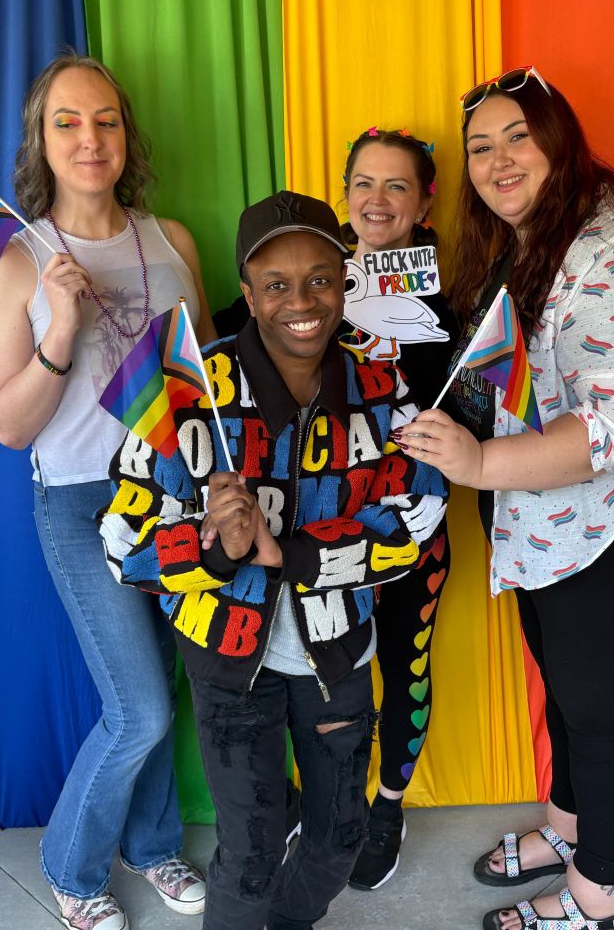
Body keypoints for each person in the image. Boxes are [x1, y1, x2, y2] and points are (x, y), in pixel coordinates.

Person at [396, 66, 614, 930]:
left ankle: (602, 900)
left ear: (559, 142)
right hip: (555, 526)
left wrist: (474, 464)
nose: (500, 159)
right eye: (480, 147)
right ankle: (575, 832)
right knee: (577, 698)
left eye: (518, 136)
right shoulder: (524, 242)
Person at [98, 190, 448, 930]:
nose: (302, 302)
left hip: (339, 656)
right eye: (278, 285)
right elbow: (122, 546)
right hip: (228, 662)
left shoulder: (386, 396)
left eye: (320, 278)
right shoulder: (186, 395)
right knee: (251, 854)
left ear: (345, 282)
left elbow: (415, 528)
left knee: (337, 842)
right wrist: (212, 550)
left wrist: (285, 552)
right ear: (249, 294)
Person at [0, 52, 215, 930]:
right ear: (42, 141)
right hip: (82, 504)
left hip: (178, 496)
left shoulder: (173, 240)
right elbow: (8, 425)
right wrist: (60, 332)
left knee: (168, 682)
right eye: (68, 122)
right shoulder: (17, 266)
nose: (91, 138)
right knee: (139, 708)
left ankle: (151, 847)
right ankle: (68, 861)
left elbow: (208, 376)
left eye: (106, 120)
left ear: (127, 135)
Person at [338, 128, 457, 891]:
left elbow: (483, 394)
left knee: (404, 666)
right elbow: (238, 332)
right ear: (343, 191)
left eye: (396, 187)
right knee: (329, 672)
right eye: (363, 184)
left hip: (416, 520)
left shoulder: (457, 288)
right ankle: (337, 802)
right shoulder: (312, 271)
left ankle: (388, 807)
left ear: (425, 200)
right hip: (327, 516)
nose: (376, 201)